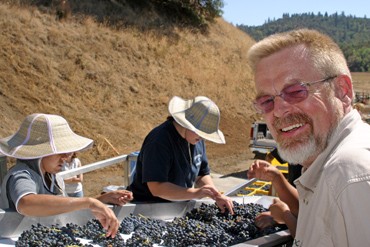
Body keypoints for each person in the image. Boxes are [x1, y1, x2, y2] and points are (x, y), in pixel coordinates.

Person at [246, 28, 370, 246]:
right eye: (266, 101)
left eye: (295, 91)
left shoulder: (350, 174)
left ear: (342, 90)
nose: (278, 110)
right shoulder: (325, 168)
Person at [0, 113, 133, 238]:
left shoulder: (53, 177)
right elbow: (26, 203)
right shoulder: (21, 175)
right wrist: (88, 202)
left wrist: (101, 200)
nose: (65, 157)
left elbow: (66, 206)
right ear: (40, 152)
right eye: (60, 151)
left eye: (67, 152)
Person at [129, 96, 234, 214]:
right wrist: (196, 193)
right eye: (201, 133)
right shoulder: (159, 141)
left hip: (178, 207)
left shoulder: (195, 139)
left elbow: (201, 174)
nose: (203, 138)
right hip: (148, 208)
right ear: (187, 124)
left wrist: (215, 195)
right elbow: (157, 187)